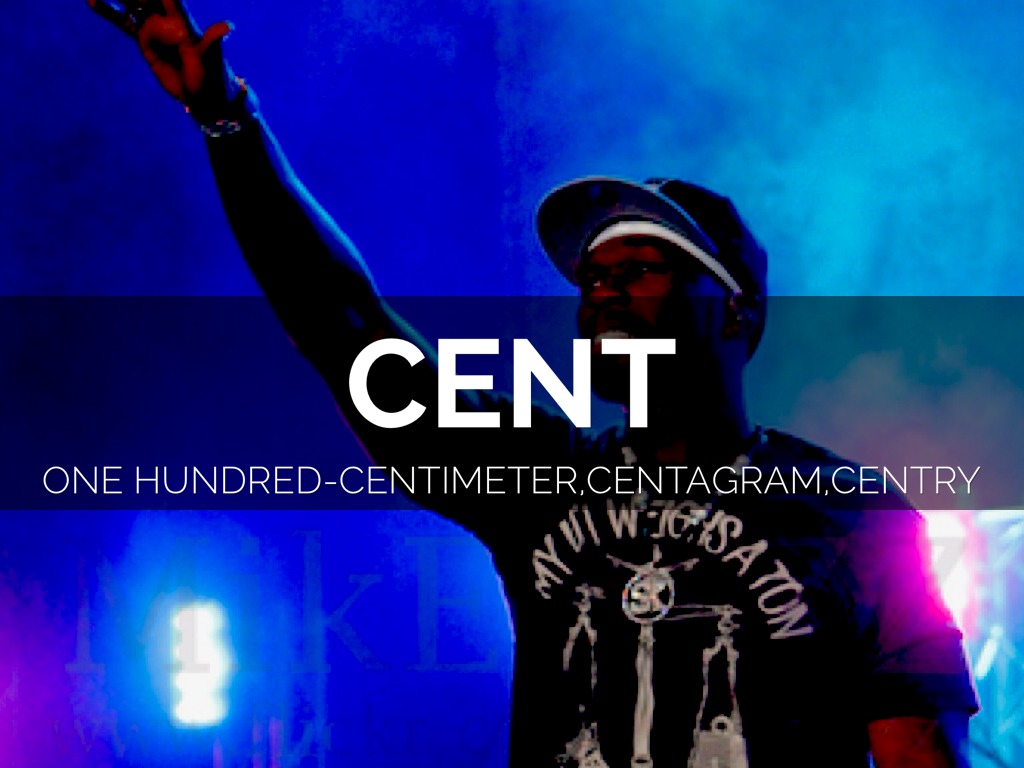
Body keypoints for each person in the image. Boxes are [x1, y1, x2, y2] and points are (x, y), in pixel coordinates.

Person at [89, 2, 979, 766]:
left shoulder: (854, 514)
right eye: (593, 278)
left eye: (643, 269)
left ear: (736, 311)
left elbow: (918, 752)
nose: (605, 292)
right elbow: (346, 327)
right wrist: (228, 122)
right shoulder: (544, 479)